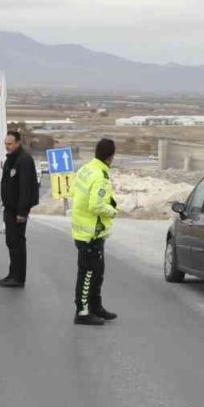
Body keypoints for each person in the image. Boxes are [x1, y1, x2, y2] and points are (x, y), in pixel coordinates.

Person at [70, 138, 119, 325]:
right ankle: (82, 312)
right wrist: (113, 211)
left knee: (97, 272)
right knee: (88, 274)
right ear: (111, 157)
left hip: (85, 230)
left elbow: (74, 192)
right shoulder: (100, 176)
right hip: (91, 233)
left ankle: (96, 307)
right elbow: (96, 205)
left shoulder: (86, 169)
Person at [0, 129, 39, 288]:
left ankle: (18, 277)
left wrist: (23, 212)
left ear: (18, 143)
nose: (7, 146)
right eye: (5, 144)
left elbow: (26, 188)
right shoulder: (12, 159)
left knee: (17, 243)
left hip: (18, 211)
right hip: (10, 208)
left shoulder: (24, 160)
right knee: (11, 242)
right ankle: (12, 273)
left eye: (9, 144)